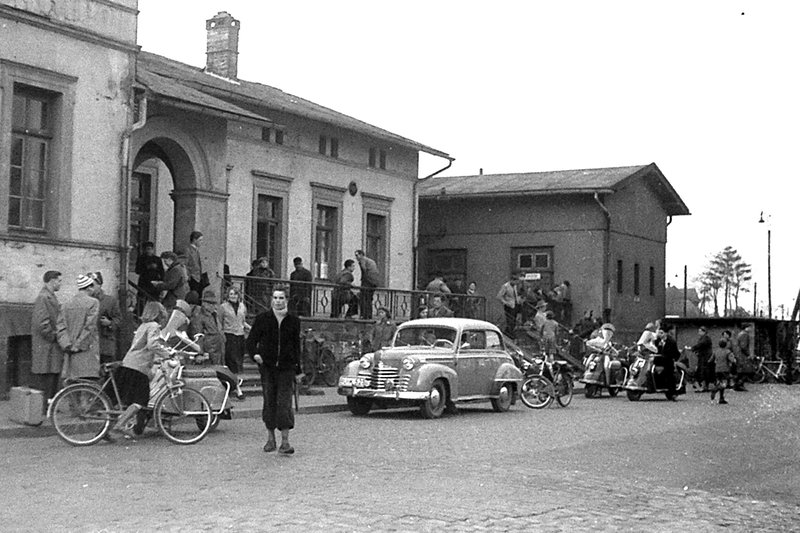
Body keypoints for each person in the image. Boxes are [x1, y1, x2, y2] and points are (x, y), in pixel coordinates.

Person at [247, 286, 304, 455]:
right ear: (271, 299)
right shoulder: (263, 319)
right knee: (269, 401)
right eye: (276, 297)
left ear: (286, 300)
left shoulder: (294, 321)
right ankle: (270, 439)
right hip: (268, 368)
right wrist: (255, 355)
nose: (278, 301)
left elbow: (296, 347)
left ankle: (285, 442)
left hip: (286, 369)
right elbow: (250, 342)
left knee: (284, 403)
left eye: (281, 298)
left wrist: (298, 370)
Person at [109, 301, 171, 438]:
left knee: (124, 400)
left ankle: (108, 428)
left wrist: (154, 359)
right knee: (141, 400)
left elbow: (140, 347)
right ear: (159, 314)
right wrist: (167, 354)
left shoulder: (143, 325)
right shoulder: (154, 326)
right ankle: (120, 424)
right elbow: (152, 344)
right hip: (138, 367)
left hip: (129, 363)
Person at [31, 270, 66, 402]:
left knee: (51, 377)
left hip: (50, 346)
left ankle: (47, 407)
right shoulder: (44, 297)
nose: (60, 283)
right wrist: (54, 336)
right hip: (47, 346)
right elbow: (42, 323)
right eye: (59, 281)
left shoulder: (49, 296)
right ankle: (44, 408)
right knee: (47, 378)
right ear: (52, 281)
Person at [57, 274, 100, 381]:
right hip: (86, 351)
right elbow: (90, 327)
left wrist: (67, 345)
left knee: (71, 388)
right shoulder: (93, 302)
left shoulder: (66, 304)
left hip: (70, 353)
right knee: (87, 388)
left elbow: (60, 327)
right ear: (89, 288)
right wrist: (78, 345)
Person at [220, 287, 250, 400]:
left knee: (237, 362)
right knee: (231, 361)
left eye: (235, 294)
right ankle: (237, 388)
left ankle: (233, 385)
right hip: (229, 335)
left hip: (240, 335)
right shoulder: (223, 307)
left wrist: (250, 328)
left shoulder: (242, 306)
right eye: (231, 294)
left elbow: (242, 321)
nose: (233, 296)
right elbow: (220, 322)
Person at [89, 272, 121, 364]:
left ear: (99, 285)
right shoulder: (84, 302)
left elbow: (119, 319)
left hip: (105, 344)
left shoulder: (110, 301)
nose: (89, 288)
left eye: (92, 285)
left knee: (106, 373)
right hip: (88, 346)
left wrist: (110, 323)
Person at [189, 289, 225, 366]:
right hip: (208, 352)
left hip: (218, 351)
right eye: (210, 303)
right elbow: (197, 336)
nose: (213, 306)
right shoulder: (199, 316)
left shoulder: (214, 315)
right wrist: (199, 353)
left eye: (214, 303)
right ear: (204, 304)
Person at [134, 241, 164, 315]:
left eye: (150, 249)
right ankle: (140, 314)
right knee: (142, 300)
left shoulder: (157, 259)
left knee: (154, 301)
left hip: (154, 283)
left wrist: (161, 284)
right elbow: (137, 270)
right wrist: (147, 267)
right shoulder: (141, 258)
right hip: (144, 283)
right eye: (147, 249)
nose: (149, 251)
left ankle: (154, 314)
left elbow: (162, 272)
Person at [655, 325, 679, 400]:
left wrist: (666, 355)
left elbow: (674, 353)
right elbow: (654, 349)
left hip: (668, 361)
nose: (660, 334)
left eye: (661, 333)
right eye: (659, 333)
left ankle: (673, 393)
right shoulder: (657, 341)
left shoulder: (671, 341)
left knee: (669, 375)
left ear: (665, 333)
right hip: (659, 361)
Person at [355, 249, 381, 319]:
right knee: (369, 299)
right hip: (374, 282)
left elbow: (364, 269)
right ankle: (369, 315)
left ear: (361, 255)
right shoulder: (370, 261)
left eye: (357, 255)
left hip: (368, 281)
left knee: (364, 298)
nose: (356, 257)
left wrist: (363, 280)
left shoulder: (363, 260)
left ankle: (364, 315)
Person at [687, 326, 713, 393]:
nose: (699, 333)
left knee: (704, 371)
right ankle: (704, 386)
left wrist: (693, 348)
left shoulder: (705, 338)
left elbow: (700, 345)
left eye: (700, 331)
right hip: (703, 356)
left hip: (705, 357)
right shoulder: (703, 338)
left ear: (704, 332)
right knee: (702, 371)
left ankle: (705, 386)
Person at [710, 339, 735, 405]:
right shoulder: (727, 351)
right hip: (725, 369)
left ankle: (721, 398)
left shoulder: (716, 351)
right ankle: (715, 390)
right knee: (724, 384)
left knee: (720, 382)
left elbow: (711, 360)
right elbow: (732, 360)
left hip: (717, 370)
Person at [184, 230, 205, 294]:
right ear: (194, 240)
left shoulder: (196, 250)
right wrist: (188, 276)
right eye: (200, 240)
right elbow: (185, 264)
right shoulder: (188, 250)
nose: (202, 242)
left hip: (198, 277)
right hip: (193, 278)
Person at [734, 324, 754, 391]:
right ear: (746, 328)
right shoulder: (745, 335)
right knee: (746, 371)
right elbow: (743, 346)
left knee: (740, 371)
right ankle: (739, 384)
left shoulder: (740, 334)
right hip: (742, 356)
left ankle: (737, 384)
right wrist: (748, 354)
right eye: (750, 327)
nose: (751, 329)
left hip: (739, 354)